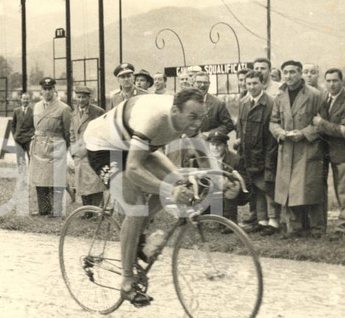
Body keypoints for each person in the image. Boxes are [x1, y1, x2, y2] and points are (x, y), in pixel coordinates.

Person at [84, 88, 241, 306]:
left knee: (179, 182)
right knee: (136, 208)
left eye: (201, 117)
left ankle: (138, 236)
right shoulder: (154, 119)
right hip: (104, 147)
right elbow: (133, 169)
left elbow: (204, 158)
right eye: (193, 118)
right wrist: (170, 190)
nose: (197, 124)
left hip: (137, 144)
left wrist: (221, 180)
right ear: (175, 110)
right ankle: (127, 281)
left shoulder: (188, 118)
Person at [269, 60, 325, 238]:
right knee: (288, 189)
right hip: (286, 149)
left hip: (308, 148)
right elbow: (273, 121)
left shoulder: (315, 95)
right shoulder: (279, 95)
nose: (289, 76)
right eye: (285, 72)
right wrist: (281, 133)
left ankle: (317, 229)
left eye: (293, 72)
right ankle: (294, 228)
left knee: (310, 188)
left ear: (300, 73)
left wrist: (304, 133)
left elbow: (322, 123)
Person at [312, 68, 345, 236]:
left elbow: (344, 131)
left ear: (341, 81)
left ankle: (343, 228)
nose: (331, 84)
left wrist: (321, 123)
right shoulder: (325, 97)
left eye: (335, 81)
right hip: (330, 152)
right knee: (340, 191)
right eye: (328, 81)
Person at [236, 70, 279, 234]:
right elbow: (240, 126)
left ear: (262, 84)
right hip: (248, 154)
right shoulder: (243, 102)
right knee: (255, 188)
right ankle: (262, 220)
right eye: (248, 84)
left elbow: (271, 134)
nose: (252, 87)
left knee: (267, 186)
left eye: (255, 83)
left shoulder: (270, 103)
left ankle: (274, 221)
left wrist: (270, 156)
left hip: (266, 151)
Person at [30, 77, 72, 216]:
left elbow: (67, 131)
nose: (47, 92)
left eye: (50, 89)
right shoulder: (36, 106)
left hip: (56, 144)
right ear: (41, 91)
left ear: (55, 90)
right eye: (44, 89)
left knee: (56, 179)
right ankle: (44, 209)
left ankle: (57, 210)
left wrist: (65, 148)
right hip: (39, 145)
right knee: (40, 178)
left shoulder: (63, 108)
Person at [69, 85, 105, 207]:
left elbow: (102, 132)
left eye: (84, 97)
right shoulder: (73, 113)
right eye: (78, 97)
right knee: (82, 182)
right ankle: (86, 210)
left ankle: (96, 209)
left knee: (95, 182)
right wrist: (74, 150)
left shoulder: (97, 112)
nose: (81, 100)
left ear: (89, 98)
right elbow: (72, 133)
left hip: (93, 152)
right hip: (79, 154)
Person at [11, 91, 35, 169]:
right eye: (24, 99)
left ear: (29, 100)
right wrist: (15, 135)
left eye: (27, 99)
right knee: (20, 159)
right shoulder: (16, 111)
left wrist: (32, 135)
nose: (25, 101)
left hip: (29, 139)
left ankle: (31, 177)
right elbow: (13, 125)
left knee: (31, 158)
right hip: (19, 139)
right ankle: (22, 177)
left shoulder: (33, 111)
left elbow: (35, 125)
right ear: (21, 100)